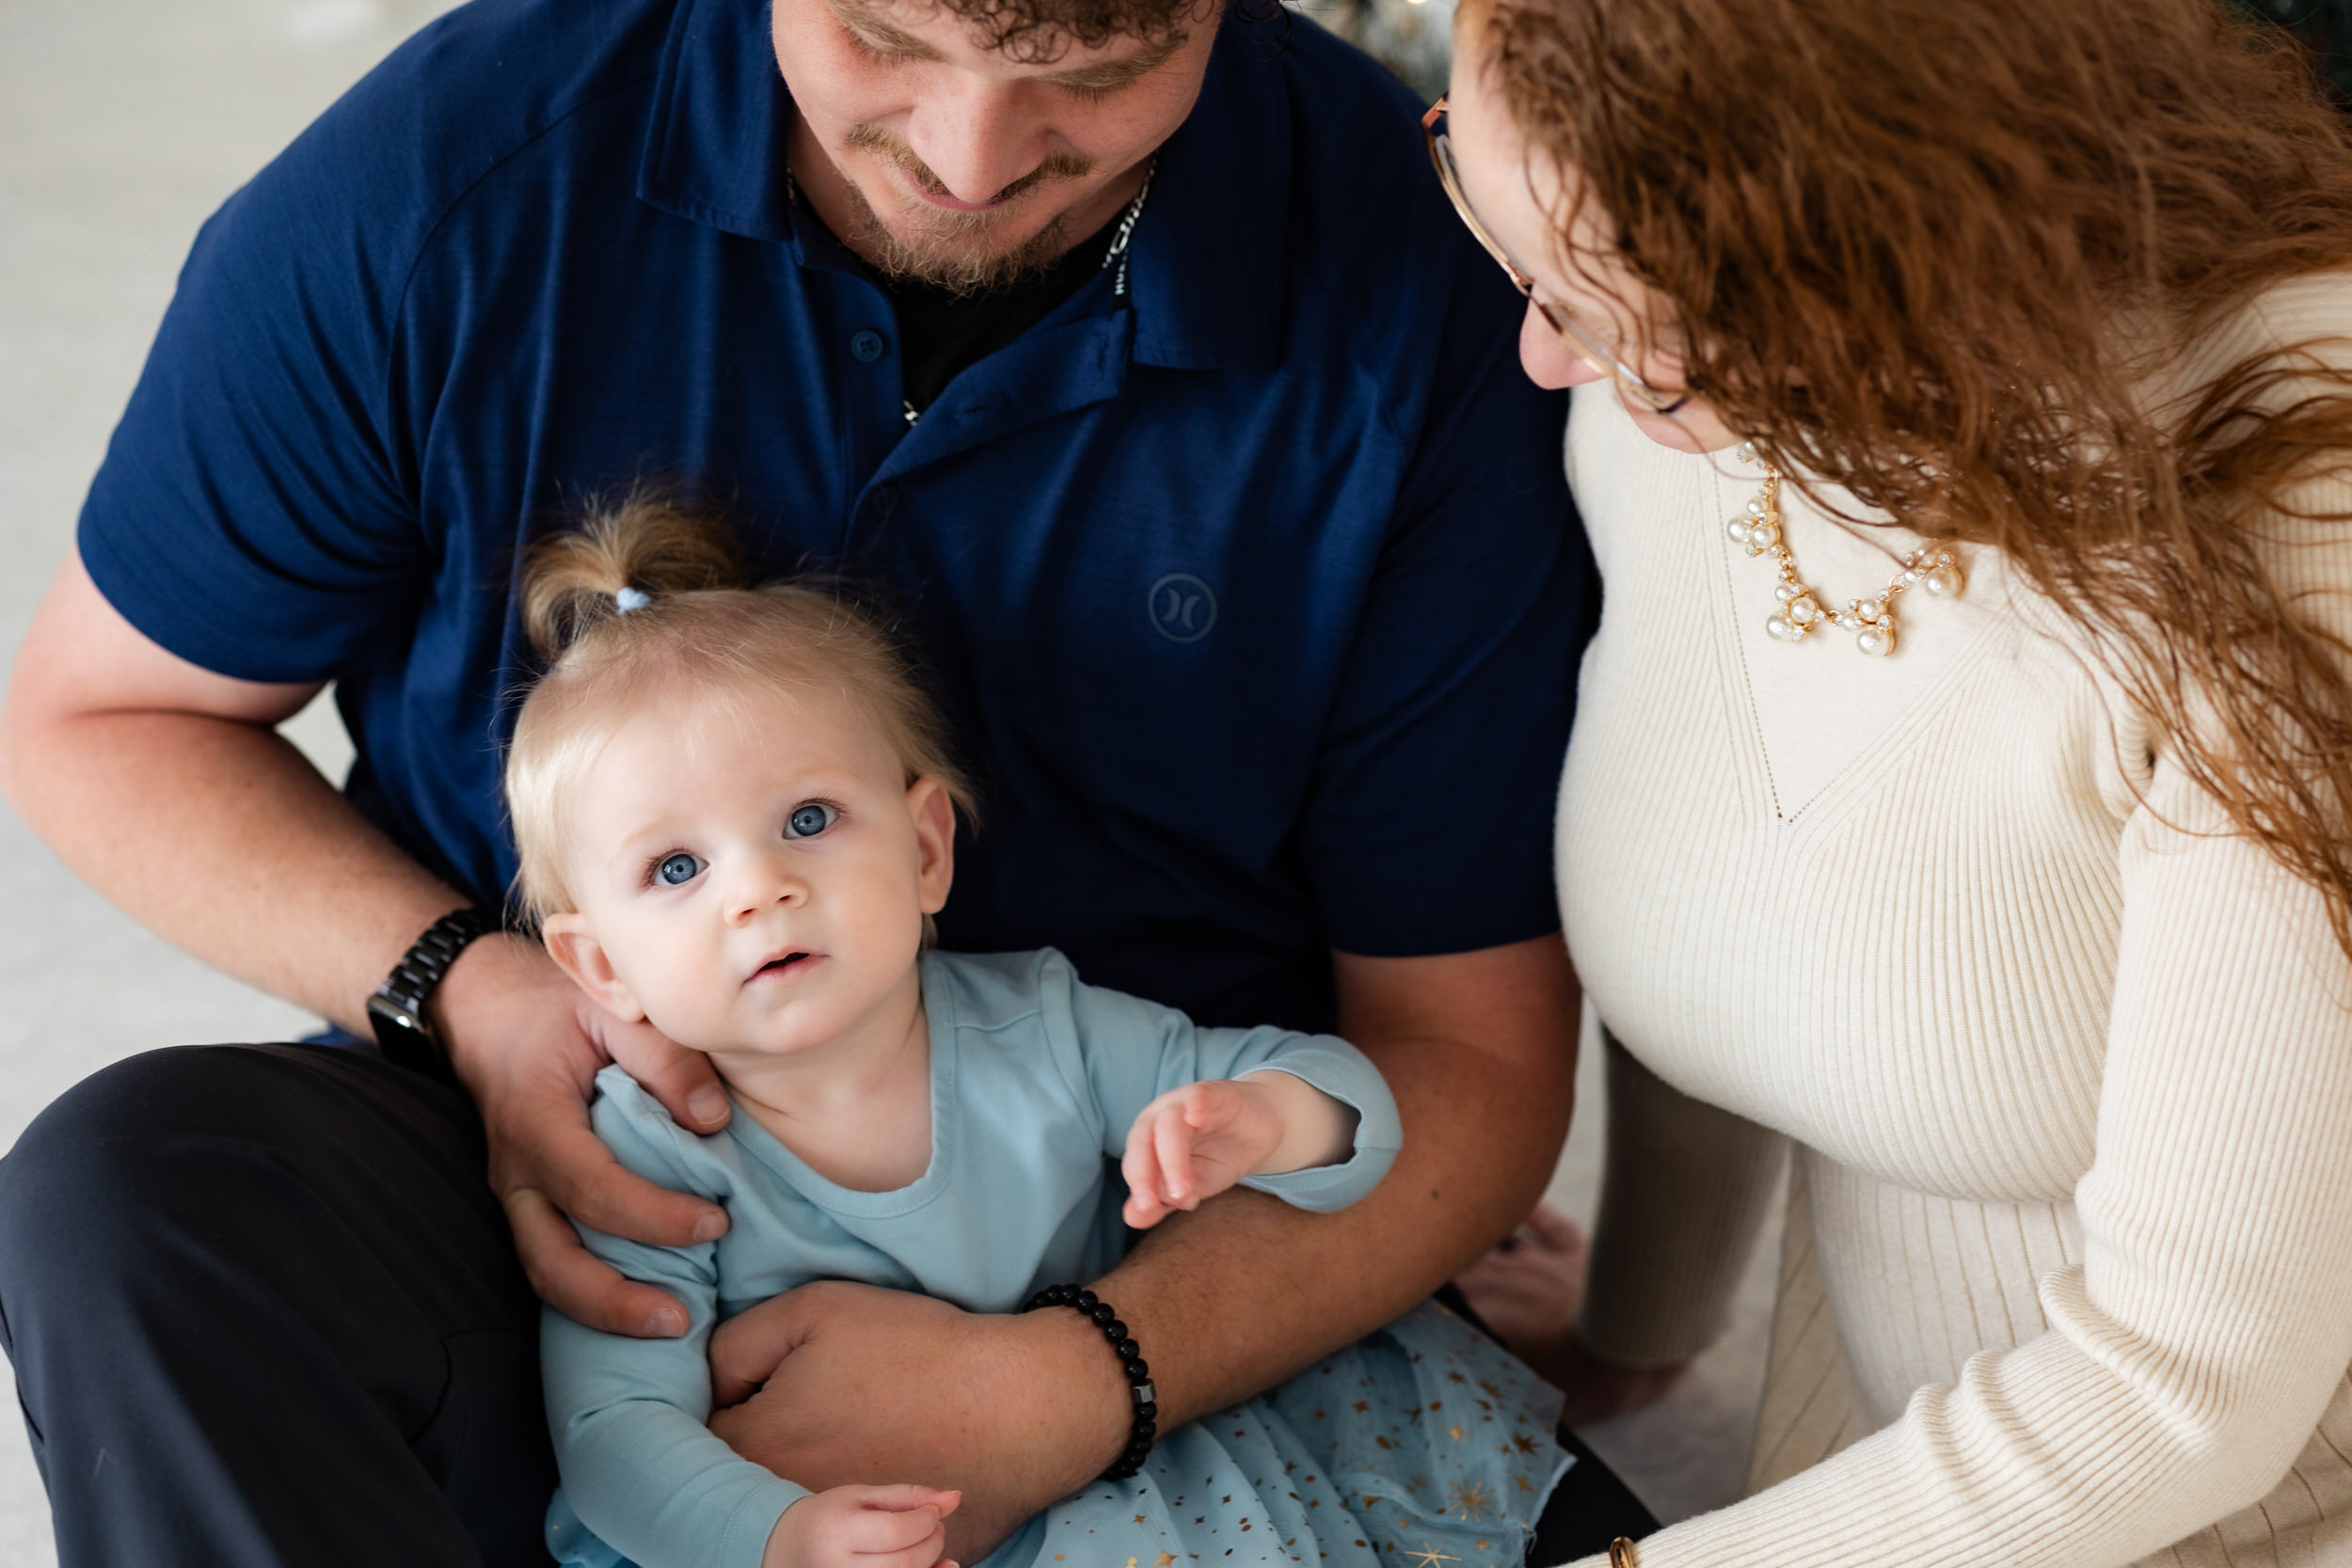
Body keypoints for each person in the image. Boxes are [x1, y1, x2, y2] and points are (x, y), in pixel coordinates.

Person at [0, 0, 1652, 1560]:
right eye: (880, 36)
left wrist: (1085, 1377)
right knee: (129, 1196)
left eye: (1099, 66)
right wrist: (479, 999)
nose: (975, 155)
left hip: (1157, 1246)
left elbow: (1464, 1067)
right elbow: (101, 722)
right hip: (570, 1176)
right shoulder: (442, 185)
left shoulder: (1430, 292)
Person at [1430, 0, 2352, 1560]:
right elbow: (1751, 881)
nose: (1544, 350)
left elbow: (2191, 1381)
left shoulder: (2297, 486)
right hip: (1907, 1465)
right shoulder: (1657, 395)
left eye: (1622, 305)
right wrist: (1643, 1319)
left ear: (1876, 237)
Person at [503, 498, 1568, 1568]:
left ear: (926, 850)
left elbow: (1365, 1130)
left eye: (809, 819)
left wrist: (1274, 1118)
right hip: (810, 1528)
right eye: (676, 868)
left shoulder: (1042, 1027)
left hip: (1122, 1480)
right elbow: (611, 1433)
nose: (761, 889)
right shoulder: (645, 1154)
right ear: (600, 967)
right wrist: (778, 1534)